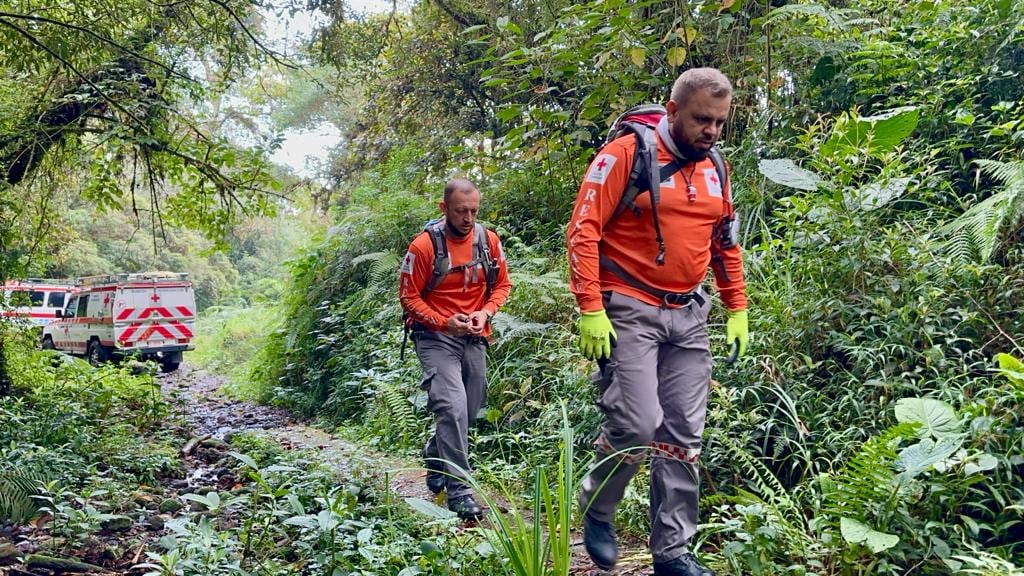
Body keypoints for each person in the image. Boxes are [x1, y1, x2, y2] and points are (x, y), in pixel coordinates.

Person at [566, 68, 749, 576]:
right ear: (672, 111)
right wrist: (590, 308)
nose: (711, 131)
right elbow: (582, 232)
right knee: (638, 424)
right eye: (700, 120)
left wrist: (737, 307)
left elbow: (724, 243)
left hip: (689, 312)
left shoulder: (717, 166)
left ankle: (672, 552)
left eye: (719, 122)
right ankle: (598, 509)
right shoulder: (626, 154)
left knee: (683, 434)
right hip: (628, 305)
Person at [399, 178, 512, 520]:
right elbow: (408, 297)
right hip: (435, 337)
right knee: (453, 406)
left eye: (474, 211)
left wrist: (486, 312)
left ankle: (436, 454)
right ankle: (459, 489)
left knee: (471, 405)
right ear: (443, 208)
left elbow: (503, 284)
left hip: (474, 335)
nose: (468, 218)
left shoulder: (488, 242)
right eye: (461, 211)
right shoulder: (423, 247)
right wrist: (442, 321)